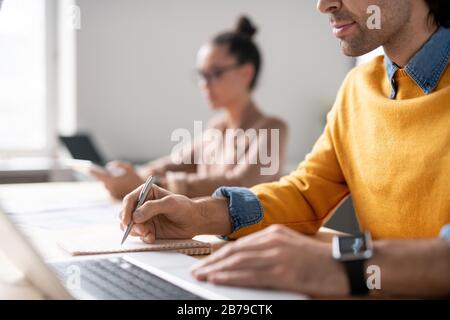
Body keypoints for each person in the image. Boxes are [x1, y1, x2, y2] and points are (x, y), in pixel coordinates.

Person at [120, 0, 450, 298]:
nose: (323, 5)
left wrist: (338, 262)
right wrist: (198, 215)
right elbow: (306, 195)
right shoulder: (357, 89)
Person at [91, 16, 287, 199]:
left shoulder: (271, 128)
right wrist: (131, 175)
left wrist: (148, 185)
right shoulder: (217, 128)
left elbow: (240, 184)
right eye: (202, 75)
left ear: (246, 73)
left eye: (215, 73)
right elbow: (174, 162)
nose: (205, 83)